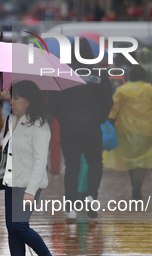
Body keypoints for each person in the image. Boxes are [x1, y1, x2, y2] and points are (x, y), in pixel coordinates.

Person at [0, 80, 61, 256]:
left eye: (16, 98)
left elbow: (41, 161)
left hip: (29, 184)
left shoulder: (39, 124)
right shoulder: (11, 120)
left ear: (28, 101)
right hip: (12, 181)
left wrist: (31, 191)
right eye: (11, 97)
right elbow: (11, 151)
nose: (11, 101)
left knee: (20, 227)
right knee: (13, 229)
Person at [48, 37, 113, 221]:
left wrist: (63, 119)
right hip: (92, 127)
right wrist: (100, 118)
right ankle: (92, 195)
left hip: (69, 128)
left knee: (72, 167)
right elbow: (108, 100)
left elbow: (53, 101)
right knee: (95, 162)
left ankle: (71, 208)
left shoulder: (62, 72)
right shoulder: (100, 72)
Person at [104, 65, 152, 199]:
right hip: (146, 131)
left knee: (130, 157)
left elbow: (113, 109)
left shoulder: (122, 90)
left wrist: (109, 122)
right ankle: (137, 183)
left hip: (126, 131)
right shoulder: (150, 89)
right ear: (144, 77)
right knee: (142, 158)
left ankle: (134, 183)